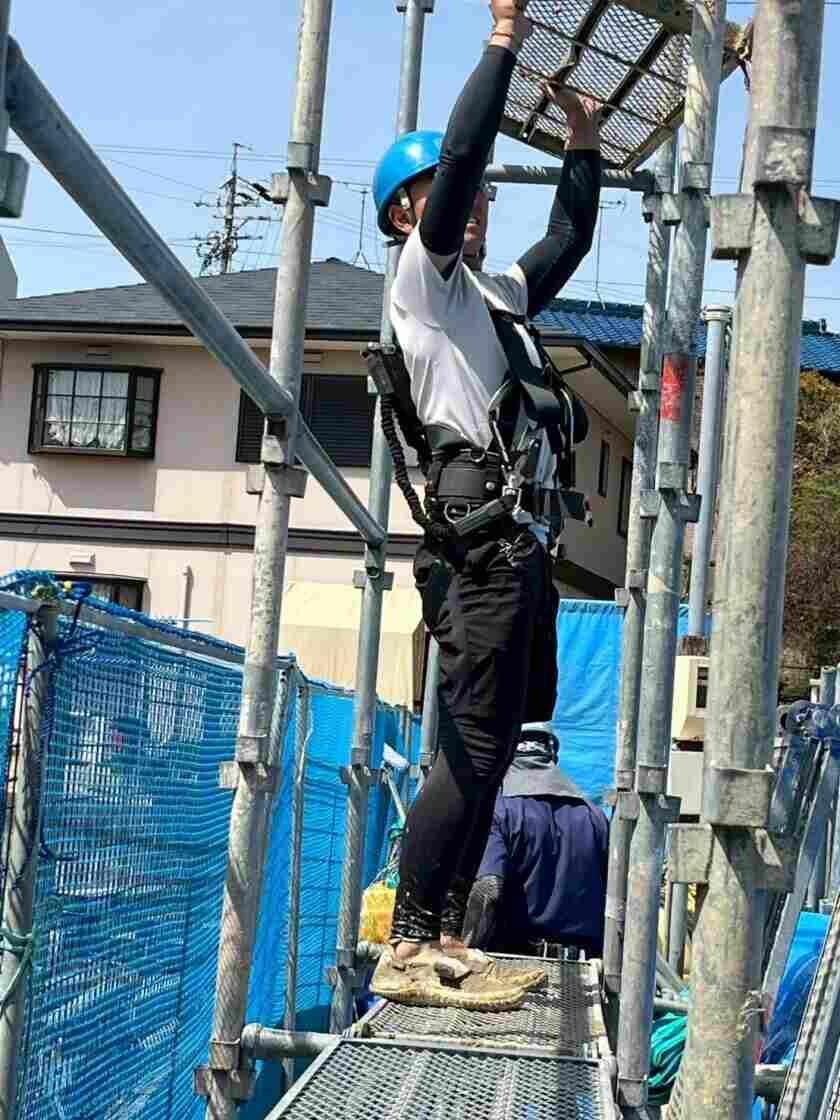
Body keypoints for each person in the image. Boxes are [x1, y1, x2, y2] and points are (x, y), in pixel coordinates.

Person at [369, 0, 602, 1011]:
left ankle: (448, 931)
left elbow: (567, 240)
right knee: (467, 747)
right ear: (402, 215)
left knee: (496, 746)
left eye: (470, 201)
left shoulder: (494, 296)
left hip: (520, 545)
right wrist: (503, 41)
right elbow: (464, 156)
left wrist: (584, 149)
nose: (469, 207)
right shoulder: (424, 285)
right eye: (440, 197)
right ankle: (409, 942)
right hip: (481, 538)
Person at [462, 723, 609, 959]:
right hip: (585, 967)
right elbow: (616, 898)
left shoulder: (499, 811)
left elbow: (487, 888)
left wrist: (467, 949)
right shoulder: (594, 815)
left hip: (515, 962)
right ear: (552, 755)